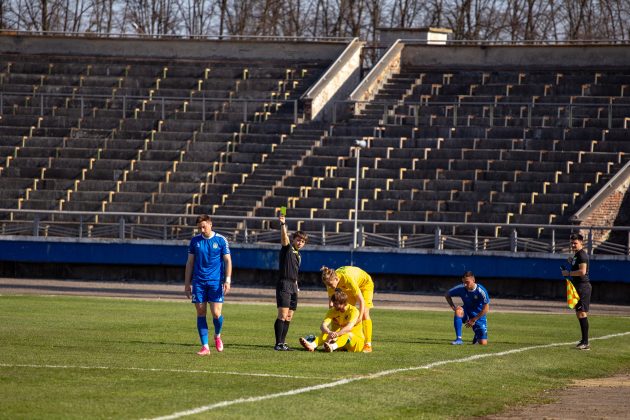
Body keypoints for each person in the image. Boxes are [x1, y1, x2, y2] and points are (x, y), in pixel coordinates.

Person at [184, 215, 232, 356]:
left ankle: (217, 335)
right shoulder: (195, 241)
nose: (202, 229)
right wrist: (187, 283)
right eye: (199, 228)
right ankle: (205, 346)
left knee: (216, 314)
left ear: (210, 224)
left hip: (215, 282)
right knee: (200, 312)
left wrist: (227, 280)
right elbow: (190, 263)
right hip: (199, 282)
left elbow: (228, 260)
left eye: (204, 226)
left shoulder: (221, 240)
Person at [274, 213, 308, 351]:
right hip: (284, 284)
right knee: (282, 314)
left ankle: (283, 342)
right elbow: (284, 238)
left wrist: (297, 285)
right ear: (294, 239)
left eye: (303, 241)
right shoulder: (287, 249)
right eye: (298, 240)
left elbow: (295, 272)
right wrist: (283, 224)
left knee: (289, 316)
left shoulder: (298, 255)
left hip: (294, 285)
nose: (300, 242)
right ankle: (278, 344)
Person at [320, 265, 374, 352]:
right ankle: (340, 340)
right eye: (327, 285)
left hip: (365, 285)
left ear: (336, 279)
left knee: (364, 313)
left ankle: (368, 344)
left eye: (330, 284)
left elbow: (361, 300)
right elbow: (331, 304)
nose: (329, 286)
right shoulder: (329, 281)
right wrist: (333, 318)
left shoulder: (347, 279)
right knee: (343, 311)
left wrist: (359, 317)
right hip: (349, 288)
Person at [299, 289, 364, 353]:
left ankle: (332, 347)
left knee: (347, 334)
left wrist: (336, 334)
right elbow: (322, 326)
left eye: (335, 303)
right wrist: (329, 332)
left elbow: (348, 328)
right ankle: (312, 345)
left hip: (357, 343)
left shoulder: (353, 311)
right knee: (326, 333)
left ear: (343, 303)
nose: (332, 305)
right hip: (341, 341)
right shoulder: (332, 311)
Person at [562, 233, 591, 350]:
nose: (573, 245)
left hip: (583, 287)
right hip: (577, 286)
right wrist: (571, 261)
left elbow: (582, 271)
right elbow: (577, 265)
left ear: (581, 243)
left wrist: (568, 273)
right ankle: (584, 340)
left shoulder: (582, 255)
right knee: (579, 313)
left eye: (575, 243)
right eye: (572, 243)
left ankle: (585, 342)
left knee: (582, 313)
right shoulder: (576, 255)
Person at [445, 271, 490, 345]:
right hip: (467, 312)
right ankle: (459, 339)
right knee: (458, 310)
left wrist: (474, 319)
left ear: (473, 280)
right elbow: (447, 294)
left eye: (467, 282)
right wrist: (454, 307)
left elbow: (486, 308)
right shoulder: (461, 288)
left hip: (478, 316)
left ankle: (477, 335)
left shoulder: (481, 290)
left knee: (483, 343)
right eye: (463, 282)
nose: (465, 284)